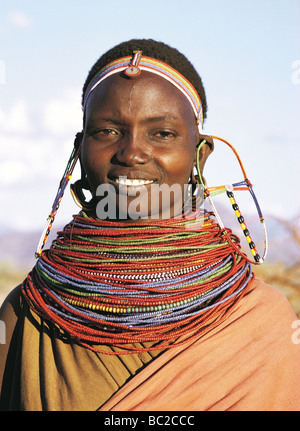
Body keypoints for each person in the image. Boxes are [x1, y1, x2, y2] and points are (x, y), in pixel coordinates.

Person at [0, 39, 300, 411]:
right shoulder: (29, 316)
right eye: (107, 131)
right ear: (79, 151)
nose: (132, 152)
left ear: (199, 155)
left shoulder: (263, 324)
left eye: (162, 134)